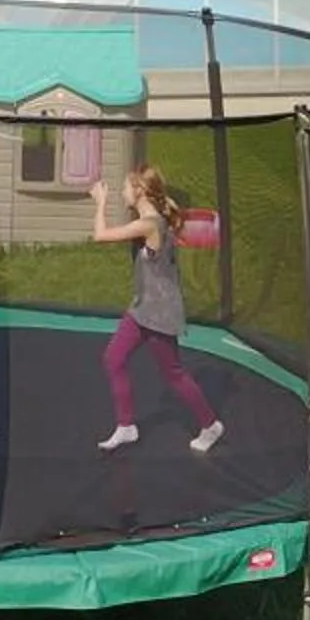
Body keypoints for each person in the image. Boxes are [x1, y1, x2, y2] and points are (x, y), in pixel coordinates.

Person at [89, 164, 223, 454]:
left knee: (173, 374)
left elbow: (100, 235)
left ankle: (211, 424)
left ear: (139, 191)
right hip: (142, 308)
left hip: (160, 311)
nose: (122, 191)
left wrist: (100, 203)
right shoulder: (152, 219)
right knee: (113, 358)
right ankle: (126, 426)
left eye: (126, 187)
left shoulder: (150, 223)